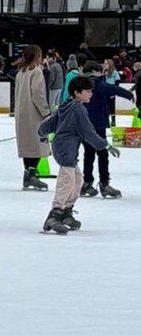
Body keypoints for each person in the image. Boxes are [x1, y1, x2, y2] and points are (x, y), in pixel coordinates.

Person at [37, 76, 114, 234]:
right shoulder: (79, 109)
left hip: (63, 147)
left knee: (78, 180)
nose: (91, 94)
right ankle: (54, 214)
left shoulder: (68, 105)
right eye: (87, 91)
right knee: (67, 181)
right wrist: (104, 145)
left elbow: (53, 121)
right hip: (66, 149)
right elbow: (88, 132)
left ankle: (66, 211)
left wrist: (42, 131)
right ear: (77, 93)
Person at [79, 61, 134, 197]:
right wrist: (129, 95)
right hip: (98, 124)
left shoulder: (80, 83)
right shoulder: (96, 84)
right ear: (94, 71)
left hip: (85, 125)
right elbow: (113, 89)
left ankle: (87, 182)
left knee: (89, 153)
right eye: (99, 70)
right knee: (102, 153)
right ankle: (104, 183)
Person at [14, 45, 52, 192]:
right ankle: (31, 174)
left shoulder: (20, 73)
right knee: (37, 144)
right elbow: (38, 93)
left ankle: (28, 173)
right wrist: (45, 112)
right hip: (34, 113)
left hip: (22, 113)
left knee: (27, 145)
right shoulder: (36, 72)